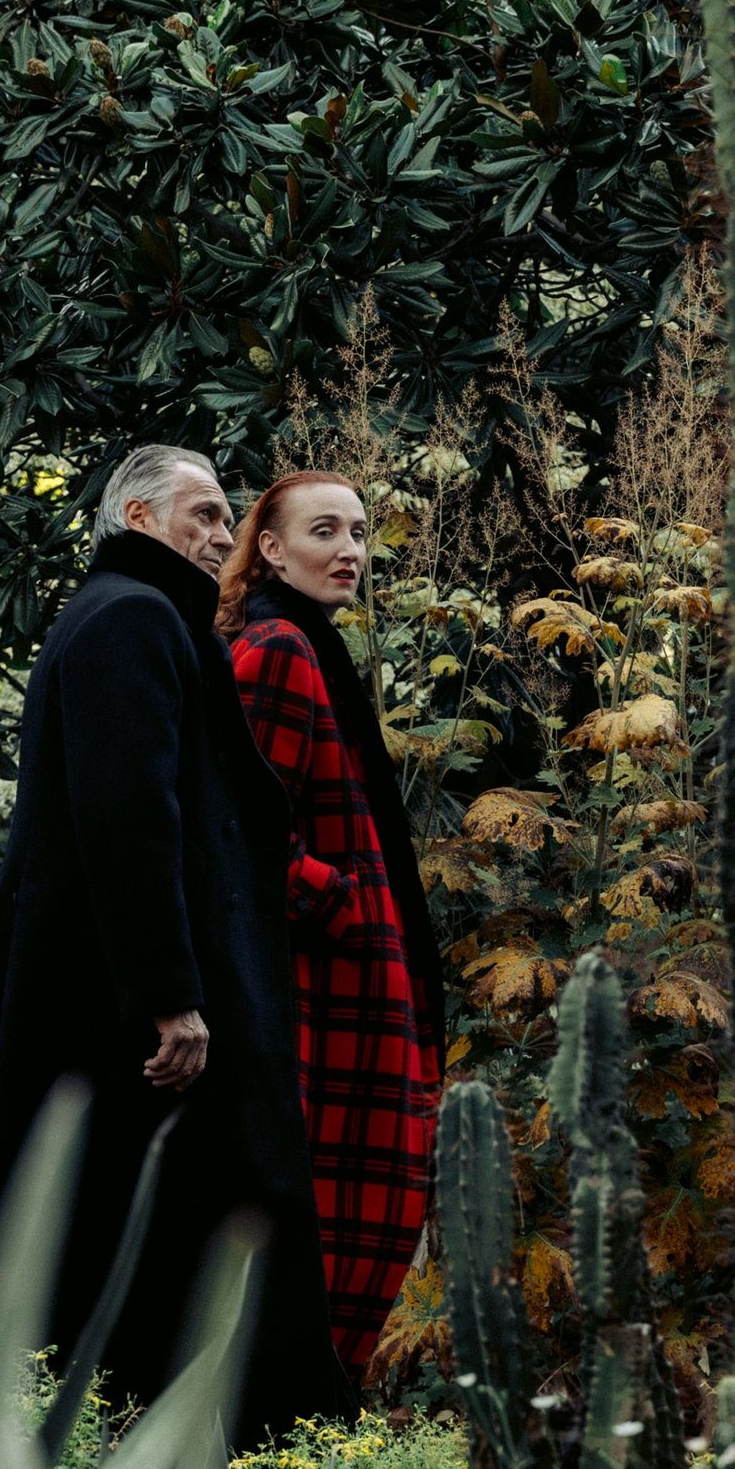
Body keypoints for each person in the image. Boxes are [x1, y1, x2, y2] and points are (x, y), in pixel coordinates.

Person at [0, 444, 351, 1445]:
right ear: (135, 518)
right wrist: (170, 995)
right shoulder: (130, 618)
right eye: (202, 514)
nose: (221, 535)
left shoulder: (138, 617)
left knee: (130, 1207)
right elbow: (130, 818)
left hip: (100, 981)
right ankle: (200, 1430)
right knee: (146, 1206)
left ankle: (161, 1424)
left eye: (224, 519)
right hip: (114, 996)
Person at [217, 471, 443, 1384]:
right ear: (271, 548)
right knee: (350, 1216)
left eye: (358, 532)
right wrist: (342, 904)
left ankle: (310, 1412)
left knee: (364, 1216)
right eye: (325, 531)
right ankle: (296, 1415)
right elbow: (238, 829)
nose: (351, 549)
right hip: (324, 991)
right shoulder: (275, 649)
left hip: (349, 982)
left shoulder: (307, 645)